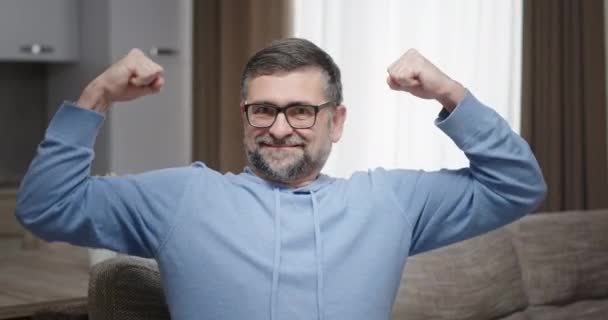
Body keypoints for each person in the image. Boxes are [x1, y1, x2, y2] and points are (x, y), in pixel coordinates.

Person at [16, 38, 546, 320]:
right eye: (263, 111)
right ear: (244, 116)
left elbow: (518, 187)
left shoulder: (390, 200)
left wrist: (449, 91)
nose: (280, 128)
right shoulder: (184, 196)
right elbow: (45, 207)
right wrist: (97, 96)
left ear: (336, 122)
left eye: (301, 111)